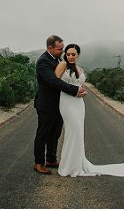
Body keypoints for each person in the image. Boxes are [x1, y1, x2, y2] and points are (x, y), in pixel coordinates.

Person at [55, 43, 124, 177]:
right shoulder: (62, 65)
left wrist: (83, 92)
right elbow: (55, 83)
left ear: (78, 55)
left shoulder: (80, 69)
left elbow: (81, 86)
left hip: (79, 104)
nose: (71, 57)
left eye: (73, 54)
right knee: (72, 132)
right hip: (67, 103)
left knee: (78, 133)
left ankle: (76, 164)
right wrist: (73, 91)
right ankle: (68, 166)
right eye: (68, 54)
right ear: (65, 55)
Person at [33, 34, 87, 175]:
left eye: (63, 49)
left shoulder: (58, 59)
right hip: (46, 104)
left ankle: (51, 159)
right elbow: (54, 82)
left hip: (60, 104)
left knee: (55, 133)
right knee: (43, 134)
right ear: (50, 48)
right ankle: (38, 163)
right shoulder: (43, 62)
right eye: (60, 49)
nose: (62, 52)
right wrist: (75, 90)